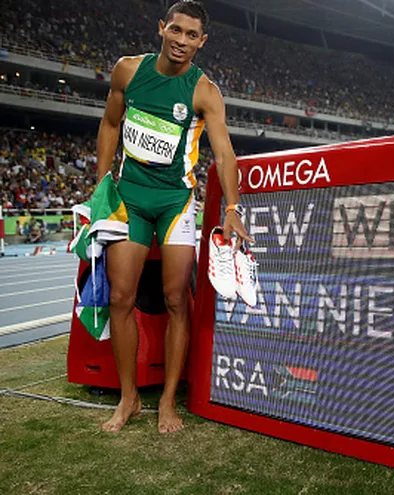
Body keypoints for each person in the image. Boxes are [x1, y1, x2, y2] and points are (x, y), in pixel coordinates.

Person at [95, 0, 253, 434]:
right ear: (162, 28)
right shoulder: (128, 70)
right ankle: (129, 399)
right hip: (128, 198)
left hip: (175, 203)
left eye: (191, 36)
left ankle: (167, 402)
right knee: (120, 299)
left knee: (176, 300)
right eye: (176, 31)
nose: (181, 41)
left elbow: (224, 153)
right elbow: (110, 124)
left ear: (201, 42)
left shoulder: (205, 92)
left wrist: (233, 207)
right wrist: (100, 185)